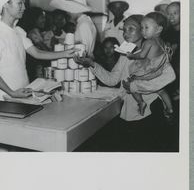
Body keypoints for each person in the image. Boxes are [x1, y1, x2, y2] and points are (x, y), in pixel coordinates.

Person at [74, 14, 177, 151]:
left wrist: (134, 86)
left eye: (131, 29)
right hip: (129, 111)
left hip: (150, 111)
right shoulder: (126, 52)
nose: (125, 33)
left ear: (142, 30)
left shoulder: (155, 52)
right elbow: (112, 80)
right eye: (124, 29)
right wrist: (92, 64)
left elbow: (168, 77)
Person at [0, 0, 76, 101]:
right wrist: (12, 93)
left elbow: (37, 53)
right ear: (6, 4)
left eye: (23, 3)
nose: (24, 8)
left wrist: (66, 53)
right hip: (3, 97)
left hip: (23, 93)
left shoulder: (18, 31)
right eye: (19, 3)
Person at [122, 12, 174, 117]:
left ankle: (141, 102)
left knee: (132, 82)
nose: (143, 31)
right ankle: (170, 108)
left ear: (159, 29)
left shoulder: (149, 42)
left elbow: (141, 55)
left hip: (149, 70)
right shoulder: (162, 41)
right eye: (142, 28)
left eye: (146, 28)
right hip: (160, 69)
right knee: (162, 90)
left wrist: (132, 56)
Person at [164, 1, 180, 100]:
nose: (171, 17)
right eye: (169, 14)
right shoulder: (166, 33)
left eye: (175, 13)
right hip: (171, 72)